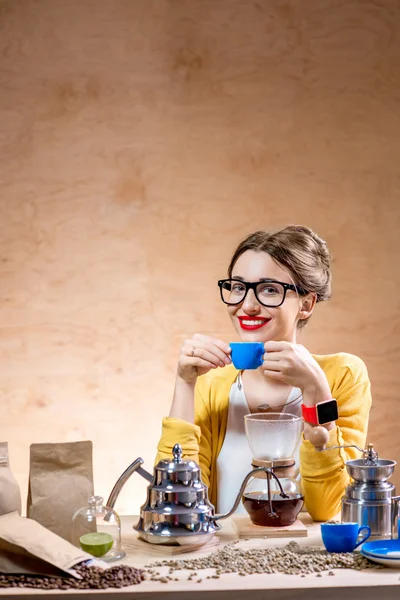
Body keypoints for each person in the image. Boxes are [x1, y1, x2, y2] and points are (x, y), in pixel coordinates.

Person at [155, 225, 371, 521]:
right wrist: (184, 381)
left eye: (270, 289)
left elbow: (327, 509)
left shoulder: (343, 374)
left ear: (306, 304)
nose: (247, 306)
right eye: (238, 287)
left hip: (309, 563)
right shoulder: (211, 383)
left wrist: (317, 390)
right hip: (222, 562)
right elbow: (175, 503)